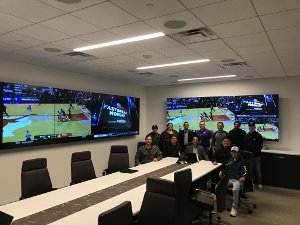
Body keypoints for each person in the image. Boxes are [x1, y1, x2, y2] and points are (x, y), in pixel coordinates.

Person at [219, 146, 246, 217]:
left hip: (237, 179)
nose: (233, 153)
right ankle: (220, 205)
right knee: (218, 186)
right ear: (231, 152)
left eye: (235, 152)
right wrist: (222, 171)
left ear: (238, 153)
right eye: (232, 152)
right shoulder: (230, 159)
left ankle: (234, 208)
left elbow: (245, 171)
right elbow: (227, 169)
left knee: (235, 190)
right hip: (229, 179)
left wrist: (243, 176)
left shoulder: (242, 161)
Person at [244, 121, 264, 190]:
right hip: (249, 156)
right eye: (250, 126)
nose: (251, 127)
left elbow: (260, 146)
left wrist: (253, 153)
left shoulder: (258, 135)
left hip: (257, 156)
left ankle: (259, 184)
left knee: (257, 170)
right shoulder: (246, 135)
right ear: (249, 127)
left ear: (255, 127)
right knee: (250, 170)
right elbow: (245, 146)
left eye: (252, 126)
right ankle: (252, 183)